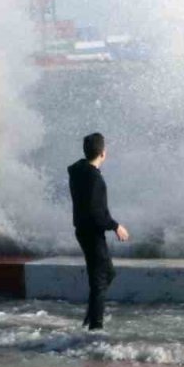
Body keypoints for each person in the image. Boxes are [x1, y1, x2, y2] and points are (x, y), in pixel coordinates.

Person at [67, 132, 129, 330]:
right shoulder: (95, 179)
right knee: (101, 278)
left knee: (106, 273)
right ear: (103, 153)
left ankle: (92, 313)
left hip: (83, 231)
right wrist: (116, 226)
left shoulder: (79, 171)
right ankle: (96, 327)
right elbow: (96, 213)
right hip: (92, 233)